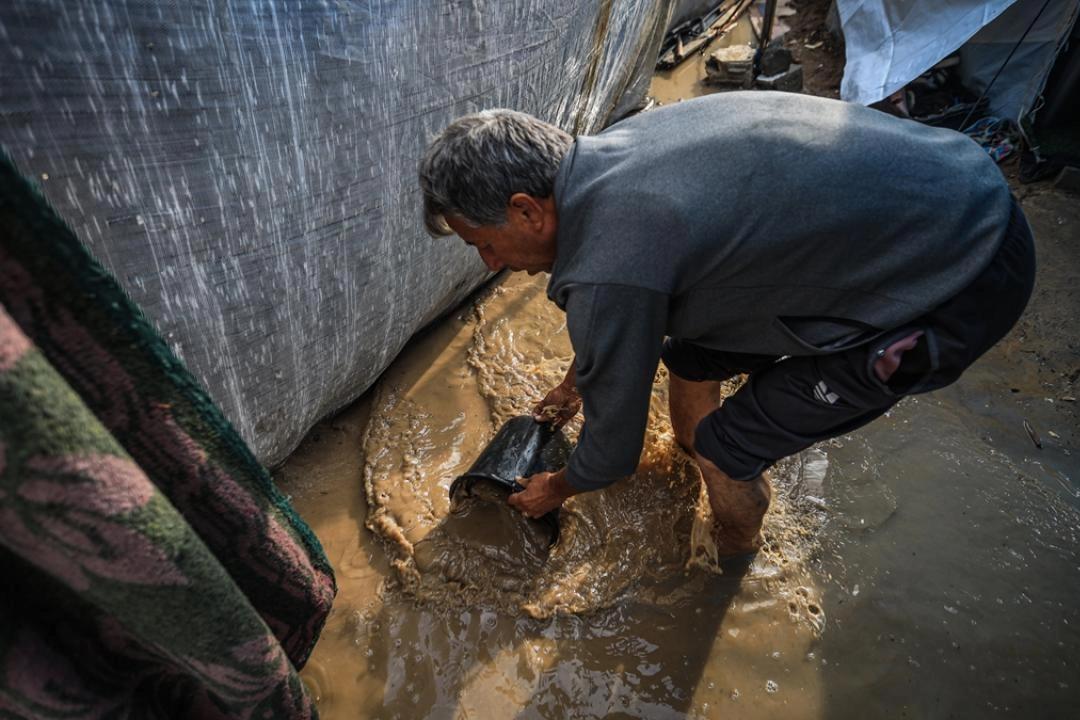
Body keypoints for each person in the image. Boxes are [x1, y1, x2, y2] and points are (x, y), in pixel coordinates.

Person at [418, 91, 1035, 558]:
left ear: (526, 211)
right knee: (688, 353)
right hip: (955, 185)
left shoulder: (611, 263)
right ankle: (699, 457)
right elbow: (635, 303)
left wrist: (554, 487)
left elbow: (612, 456)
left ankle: (731, 564)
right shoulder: (615, 153)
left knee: (728, 444)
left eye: (483, 243)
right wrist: (578, 383)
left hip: (961, 276)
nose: (490, 263)